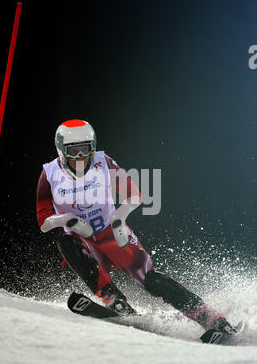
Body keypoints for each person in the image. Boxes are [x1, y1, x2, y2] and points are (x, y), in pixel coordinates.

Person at [36, 119, 236, 335]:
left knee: (150, 279)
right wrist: (66, 220)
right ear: (62, 151)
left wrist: (119, 217)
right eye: (74, 152)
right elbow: (43, 222)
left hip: (111, 233)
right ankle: (114, 299)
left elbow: (134, 195)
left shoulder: (102, 162)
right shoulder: (49, 174)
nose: (81, 158)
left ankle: (210, 318)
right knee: (65, 242)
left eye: (86, 150)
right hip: (82, 240)